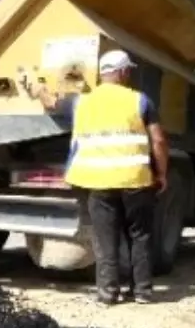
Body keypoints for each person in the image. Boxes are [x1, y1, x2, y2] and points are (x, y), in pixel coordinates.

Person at [29, 49, 168, 305]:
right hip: (135, 180)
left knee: (105, 239)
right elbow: (158, 140)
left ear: (103, 74)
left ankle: (107, 294)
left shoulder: (80, 102)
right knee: (139, 236)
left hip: (96, 182)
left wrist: (37, 88)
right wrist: (161, 173)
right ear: (124, 72)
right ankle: (143, 292)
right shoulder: (140, 101)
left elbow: (51, 103)